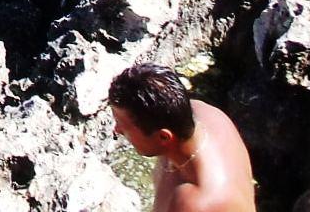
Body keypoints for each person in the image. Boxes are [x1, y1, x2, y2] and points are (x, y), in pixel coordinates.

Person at [108, 64, 255, 212]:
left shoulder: (194, 202)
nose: (117, 130)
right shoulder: (201, 112)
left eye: (123, 126)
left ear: (164, 137)